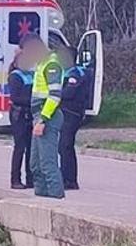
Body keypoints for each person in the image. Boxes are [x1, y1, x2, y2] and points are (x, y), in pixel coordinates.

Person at [22, 35, 65, 199]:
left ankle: (55, 199)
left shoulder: (51, 64)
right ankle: (41, 198)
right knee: (36, 164)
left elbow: (55, 96)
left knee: (47, 163)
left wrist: (43, 119)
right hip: (39, 117)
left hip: (47, 117)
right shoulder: (42, 64)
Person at [58, 47, 91, 191]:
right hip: (65, 112)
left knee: (65, 145)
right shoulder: (65, 73)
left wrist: (54, 93)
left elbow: (69, 93)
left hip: (72, 113)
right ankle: (66, 177)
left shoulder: (75, 73)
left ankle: (70, 180)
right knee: (64, 146)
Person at [7, 50, 34, 190]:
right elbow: (15, 98)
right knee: (20, 147)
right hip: (19, 114)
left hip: (30, 115)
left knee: (31, 147)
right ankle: (15, 179)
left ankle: (31, 178)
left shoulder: (31, 75)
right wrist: (32, 101)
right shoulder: (15, 77)